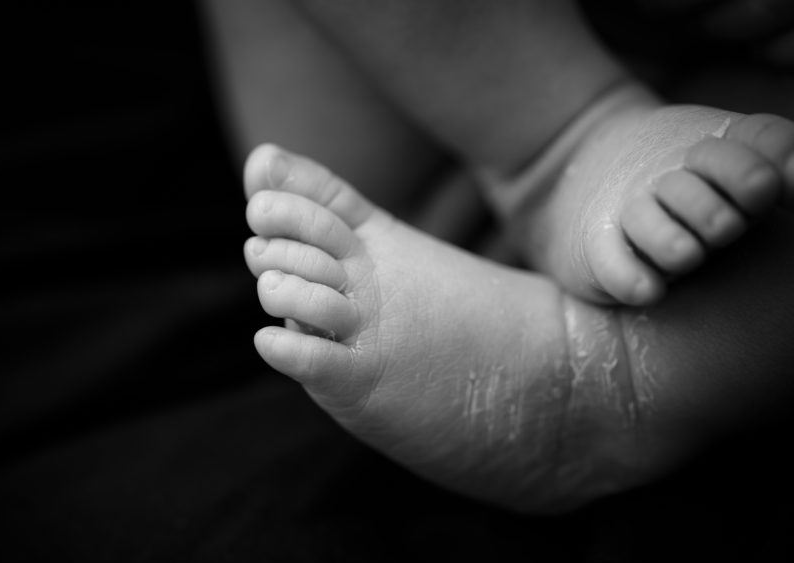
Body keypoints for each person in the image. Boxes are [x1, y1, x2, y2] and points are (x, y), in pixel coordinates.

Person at [200, 0, 794, 511]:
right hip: (454, 98)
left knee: (765, 195)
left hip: (721, 107)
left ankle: (616, 374)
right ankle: (563, 138)